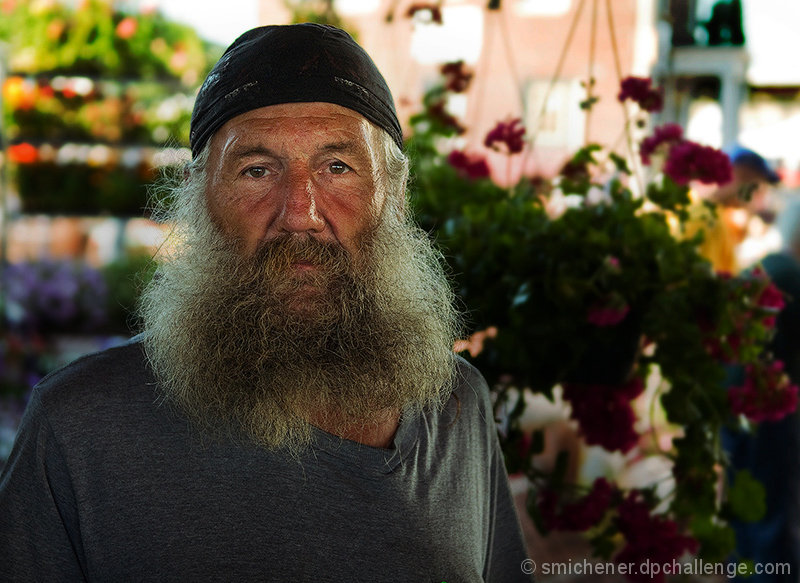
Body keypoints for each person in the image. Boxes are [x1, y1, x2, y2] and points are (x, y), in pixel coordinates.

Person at [0, 24, 531, 581]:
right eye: (257, 170)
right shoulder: (80, 427)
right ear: (200, 196)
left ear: (393, 195)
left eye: (337, 168)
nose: (300, 212)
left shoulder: (457, 405)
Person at [722, 198, 800, 583]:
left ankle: (745, 571)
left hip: (736, 399)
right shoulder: (791, 274)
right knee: (768, 504)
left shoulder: (770, 263)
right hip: (765, 406)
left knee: (743, 497)